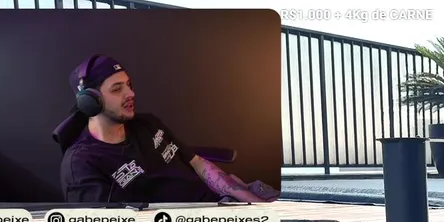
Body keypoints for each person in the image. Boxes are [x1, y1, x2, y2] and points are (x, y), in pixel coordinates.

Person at [59, 54, 280, 205]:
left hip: (222, 202)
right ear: (90, 102)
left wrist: (252, 202)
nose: (131, 94)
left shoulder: (147, 124)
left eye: (129, 85)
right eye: (117, 89)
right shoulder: (81, 164)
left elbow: (197, 163)